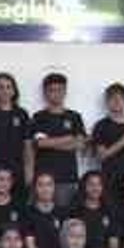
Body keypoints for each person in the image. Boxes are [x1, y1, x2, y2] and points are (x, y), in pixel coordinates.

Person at [31, 73, 86, 208]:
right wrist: (68, 138)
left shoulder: (74, 117)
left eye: (60, 90)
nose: (56, 93)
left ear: (65, 92)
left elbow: (80, 144)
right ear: (45, 93)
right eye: (52, 90)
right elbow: (39, 143)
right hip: (43, 178)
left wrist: (50, 142)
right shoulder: (39, 117)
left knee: (66, 216)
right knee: (43, 216)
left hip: (68, 177)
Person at [91, 82, 124, 198]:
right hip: (110, 178)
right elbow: (102, 156)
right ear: (107, 102)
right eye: (112, 98)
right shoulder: (101, 126)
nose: (116, 101)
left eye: (119, 98)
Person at [22, 172, 66, 248]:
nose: (45, 189)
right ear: (35, 188)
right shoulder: (28, 213)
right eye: (40, 185)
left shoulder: (63, 212)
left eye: (49, 184)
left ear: (54, 188)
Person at [70, 172, 117, 248]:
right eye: (91, 184)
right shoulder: (75, 211)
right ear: (84, 187)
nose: (95, 188)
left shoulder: (109, 210)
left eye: (99, 184)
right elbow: (72, 244)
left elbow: (113, 241)